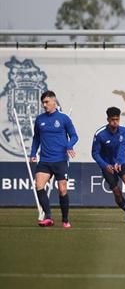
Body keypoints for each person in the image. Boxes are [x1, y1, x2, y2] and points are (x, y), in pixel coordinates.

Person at [30, 90, 79, 228]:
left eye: (46, 102)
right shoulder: (40, 119)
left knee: (62, 189)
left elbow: (74, 136)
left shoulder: (64, 118)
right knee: (38, 185)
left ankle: (65, 219)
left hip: (60, 160)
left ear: (54, 101)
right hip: (45, 160)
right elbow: (36, 138)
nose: (44, 105)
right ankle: (48, 217)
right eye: (43, 103)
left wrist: (69, 145)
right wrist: (33, 153)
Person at [91, 106, 125, 223]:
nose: (115, 122)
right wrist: (105, 165)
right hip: (107, 166)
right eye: (113, 119)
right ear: (108, 120)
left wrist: (120, 161)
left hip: (121, 163)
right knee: (116, 191)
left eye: (117, 119)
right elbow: (95, 153)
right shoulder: (100, 134)